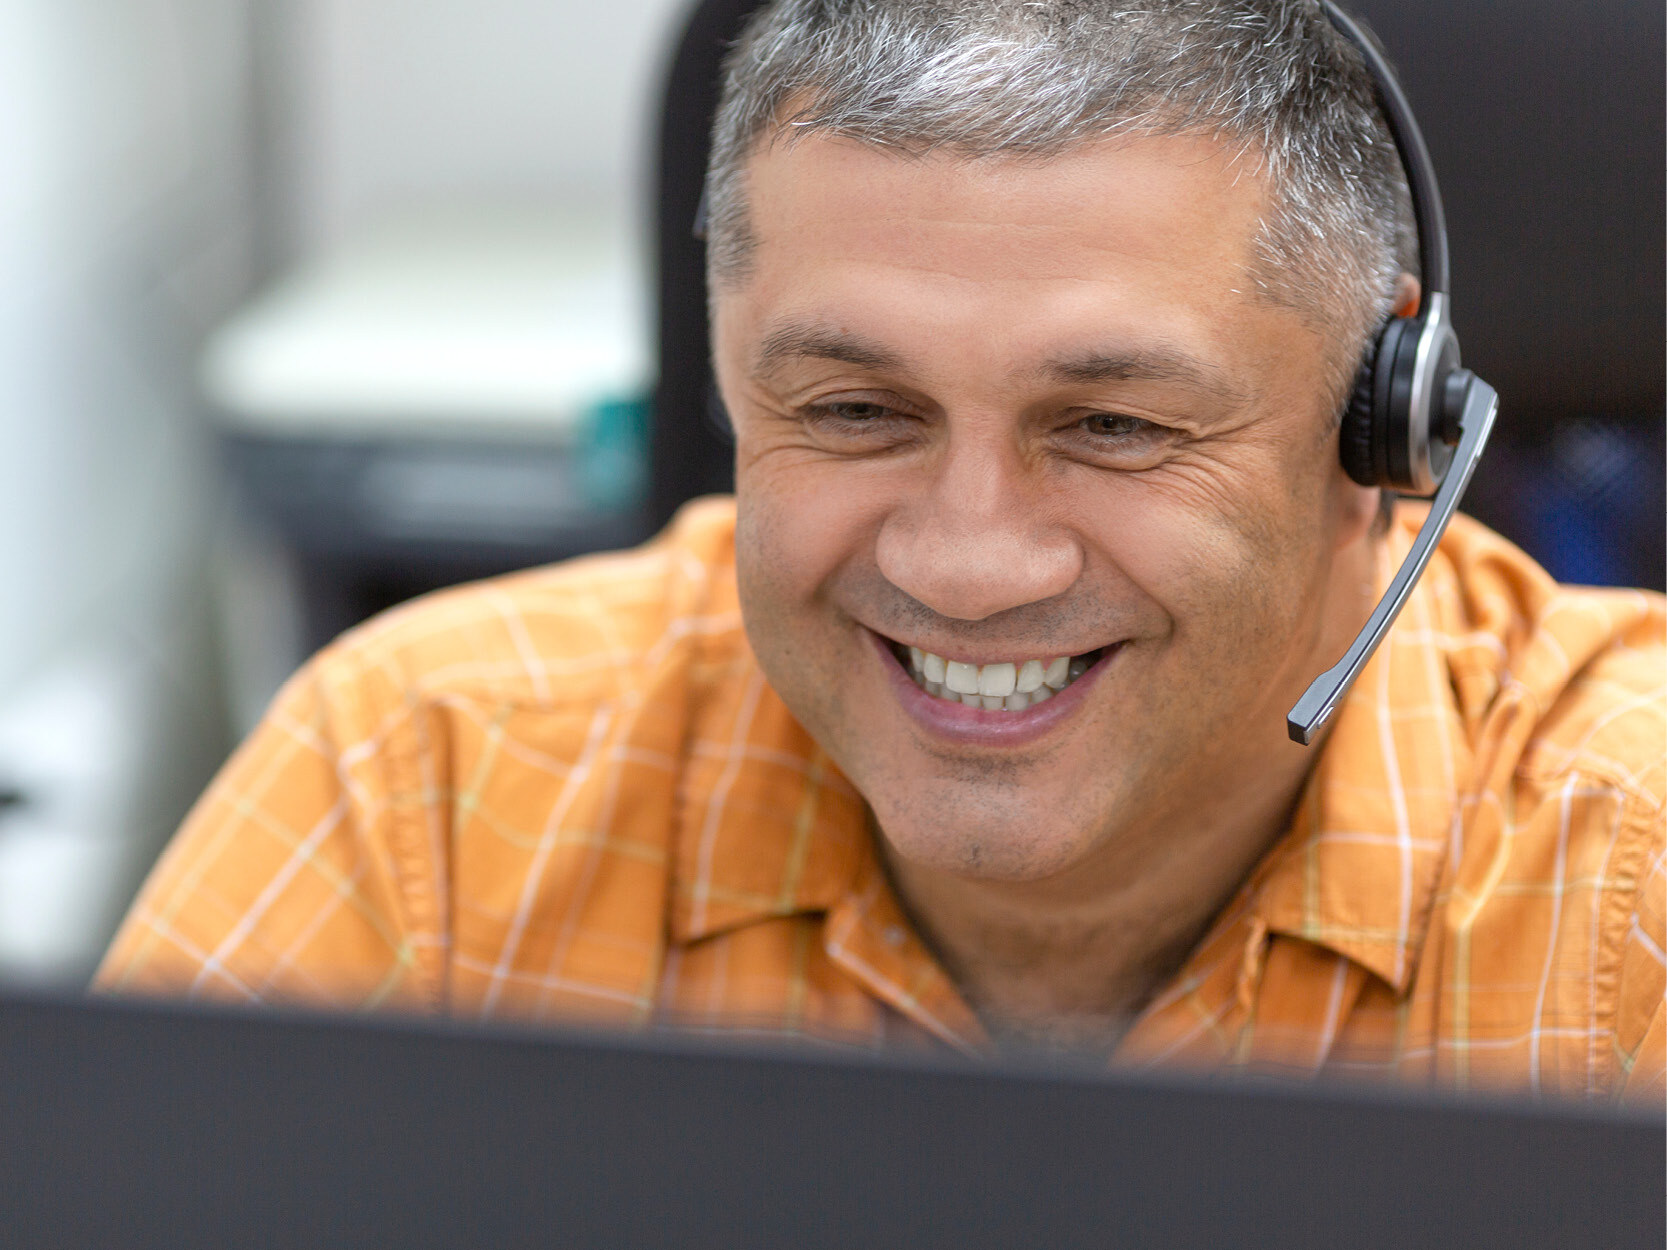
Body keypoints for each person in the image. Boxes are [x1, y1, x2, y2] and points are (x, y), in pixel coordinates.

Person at [98, 0, 1663, 1103]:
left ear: (1387, 431)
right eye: (855, 410)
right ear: (726, 383)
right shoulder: (421, 787)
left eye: (1112, 424)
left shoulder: (1631, 883)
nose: (969, 563)